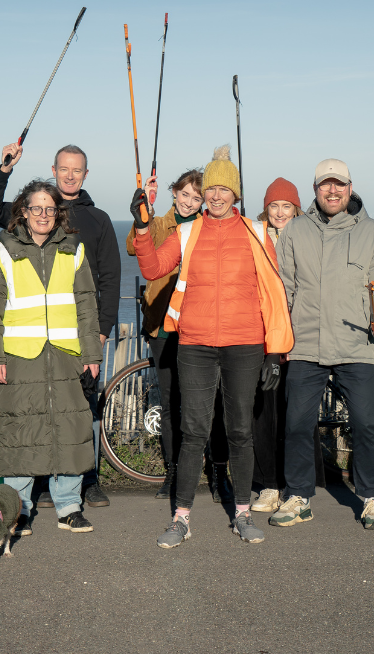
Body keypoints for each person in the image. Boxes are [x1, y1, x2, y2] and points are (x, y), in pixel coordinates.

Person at [131, 145, 293, 548]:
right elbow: (152, 268)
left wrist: (276, 350)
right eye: (211, 189)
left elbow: (273, 293)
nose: (217, 196)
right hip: (197, 344)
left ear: (236, 195)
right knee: (193, 432)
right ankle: (181, 518)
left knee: (240, 431)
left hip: (245, 344)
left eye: (225, 190)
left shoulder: (255, 233)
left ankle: (241, 513)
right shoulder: (188, 232)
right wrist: (141, 228)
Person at [0, 143, 120, 508]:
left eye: (77, 170)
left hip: (73, 345)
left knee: (77, 420)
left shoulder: (97, 221)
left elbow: (105, 282)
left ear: (85, 174)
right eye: (64, 169)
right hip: (28, 350)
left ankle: (82, 488)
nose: (71, 175)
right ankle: (32, 494)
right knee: (31, 420)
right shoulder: (24, 226)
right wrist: (4, 170)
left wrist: (100, 334)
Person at [271, 159, 374, 531]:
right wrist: (282, 337)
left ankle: (372, 498)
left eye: (338, 185)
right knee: (296, 424)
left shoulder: (373, 233)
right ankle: (298, 496)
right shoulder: (295, 231)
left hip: (355, 343)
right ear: (315, 190)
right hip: (305, 344)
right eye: (325, 185)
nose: (332, 191)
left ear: (349, 187)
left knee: (368, 423)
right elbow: (285, 289)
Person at [127, 169, 234, 503]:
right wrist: (143, 214)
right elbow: (134, 246)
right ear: (175, 193)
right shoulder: (160, 225)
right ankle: (173, 472)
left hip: (200, 326)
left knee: (213, 403)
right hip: (163, 326)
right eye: (185, 194)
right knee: (172, 402)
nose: (189, 202)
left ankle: (218, 471)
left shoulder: (207, 228)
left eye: (196, 197)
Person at [249, 177, 304, 513]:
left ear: (296, 209)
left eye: (286, 206)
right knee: (263, 414)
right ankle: (268, 485)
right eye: (274, 205)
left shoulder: (307, 237)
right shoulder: (255, 238)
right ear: (266, 209)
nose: (280, 212)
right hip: (262, 336)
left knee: (294, 415)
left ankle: (295, 484)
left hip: (298, 338)